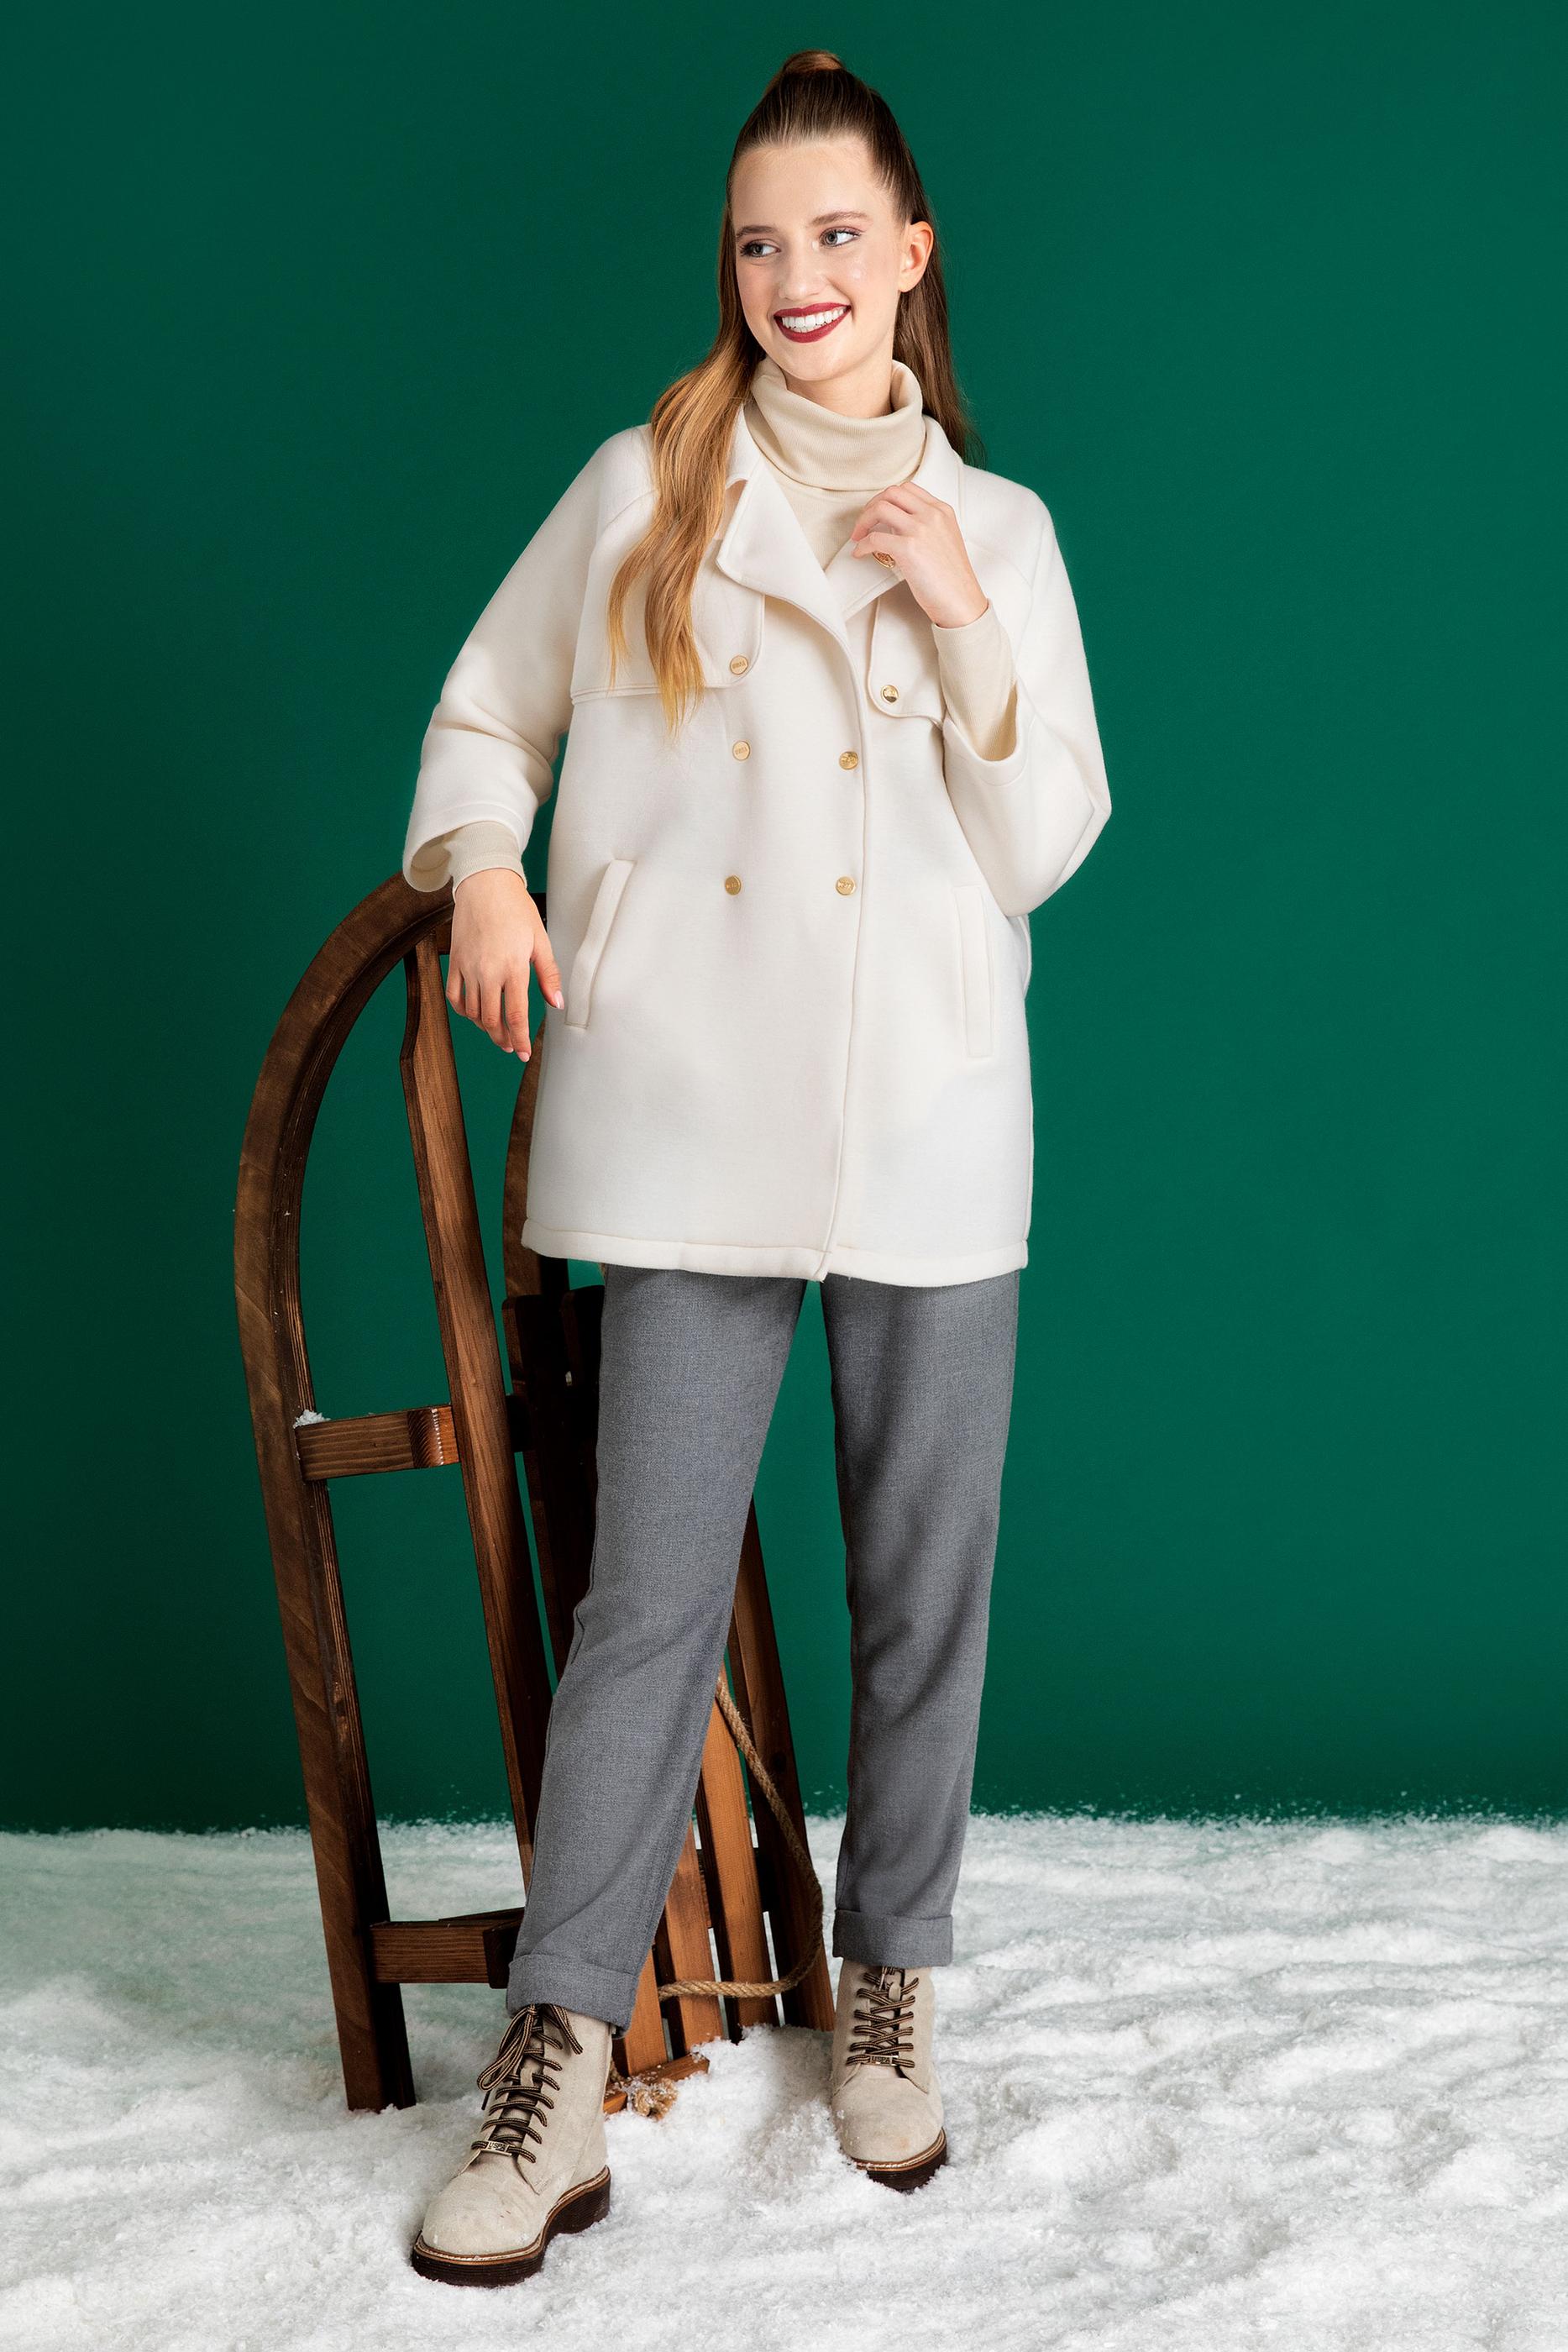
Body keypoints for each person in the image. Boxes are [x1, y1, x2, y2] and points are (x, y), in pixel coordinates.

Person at [399, 48, 1112, 2288]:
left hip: (924, 1117)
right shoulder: (646, 483)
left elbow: (1049, 842)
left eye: (833, 234)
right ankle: (553, 2063)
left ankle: (888, 1984)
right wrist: (480, 867)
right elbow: (483, 707)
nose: (793, 274)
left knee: (924, 1591)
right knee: (644, 1604)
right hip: (685, 1111)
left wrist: (956, 607)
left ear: (909, 254)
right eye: (755, 241)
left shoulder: (1002, 531)